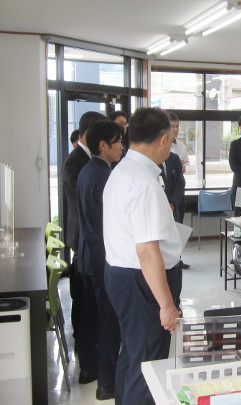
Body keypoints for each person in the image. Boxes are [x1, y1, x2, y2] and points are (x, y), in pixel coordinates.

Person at [103, 107, 182, 405]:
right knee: (148, 363)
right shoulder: (143, 182)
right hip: (143, 283)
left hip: (123, 276)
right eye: (171, 141)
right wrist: (166, 304)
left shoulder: (123, 170)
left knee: (133, 354)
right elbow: (147, 252)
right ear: (162, 140)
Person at [77, 121, 123, 400]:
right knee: (108, 322)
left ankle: (93, 369)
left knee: (93, 318)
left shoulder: (89, 170)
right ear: (103, 145)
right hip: (101, 258)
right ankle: (107, 382)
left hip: (89, 256)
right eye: (117, 141)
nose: (122, 146)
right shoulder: (103, 176)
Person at [62, 110, 106, 369]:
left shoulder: (88, 161)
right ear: (89, 134)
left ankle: (87, 343)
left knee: (88, 299)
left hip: (90, 237)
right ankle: (83, 347)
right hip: (83, 237)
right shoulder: (74, 162)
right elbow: (85, 201)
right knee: (83, 298)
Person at [160, 149, 190, 269]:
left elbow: (180, 183)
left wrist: (172, 203)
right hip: (159, 208)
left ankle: (177, 261)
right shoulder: (150, 160)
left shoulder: (174, 158)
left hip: (173, 206)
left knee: (175, 237)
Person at [169, 112, 188, 223]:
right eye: (172, 126)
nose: (175, 129)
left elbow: (184, 168)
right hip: (166, 190)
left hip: (178, 190)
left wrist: (180, 168)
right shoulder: (159, 147)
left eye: (177, 126)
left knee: (178, 225)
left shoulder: (181, 146)